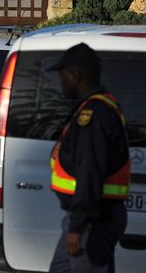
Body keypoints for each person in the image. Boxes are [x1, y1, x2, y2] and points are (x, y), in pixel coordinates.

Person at [47, 43, 130, 272]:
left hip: (93, 221)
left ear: (75, 75)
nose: (60, 82)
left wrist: (78, 226)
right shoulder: (94, 107)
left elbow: (89, 172)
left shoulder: (93, 115)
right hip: (88, 218)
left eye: (62, 75)